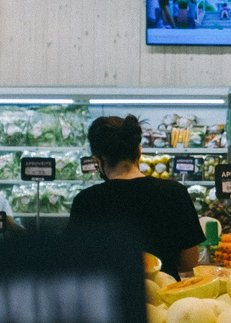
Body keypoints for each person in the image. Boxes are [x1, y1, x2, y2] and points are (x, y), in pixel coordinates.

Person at [68, 114, 206, 274]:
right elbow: (189, 263)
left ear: (98, 160)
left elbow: (76, 263)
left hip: (110, 297)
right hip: (164, 295)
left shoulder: (86, 201)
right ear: (139, 152)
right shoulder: (175, 192)